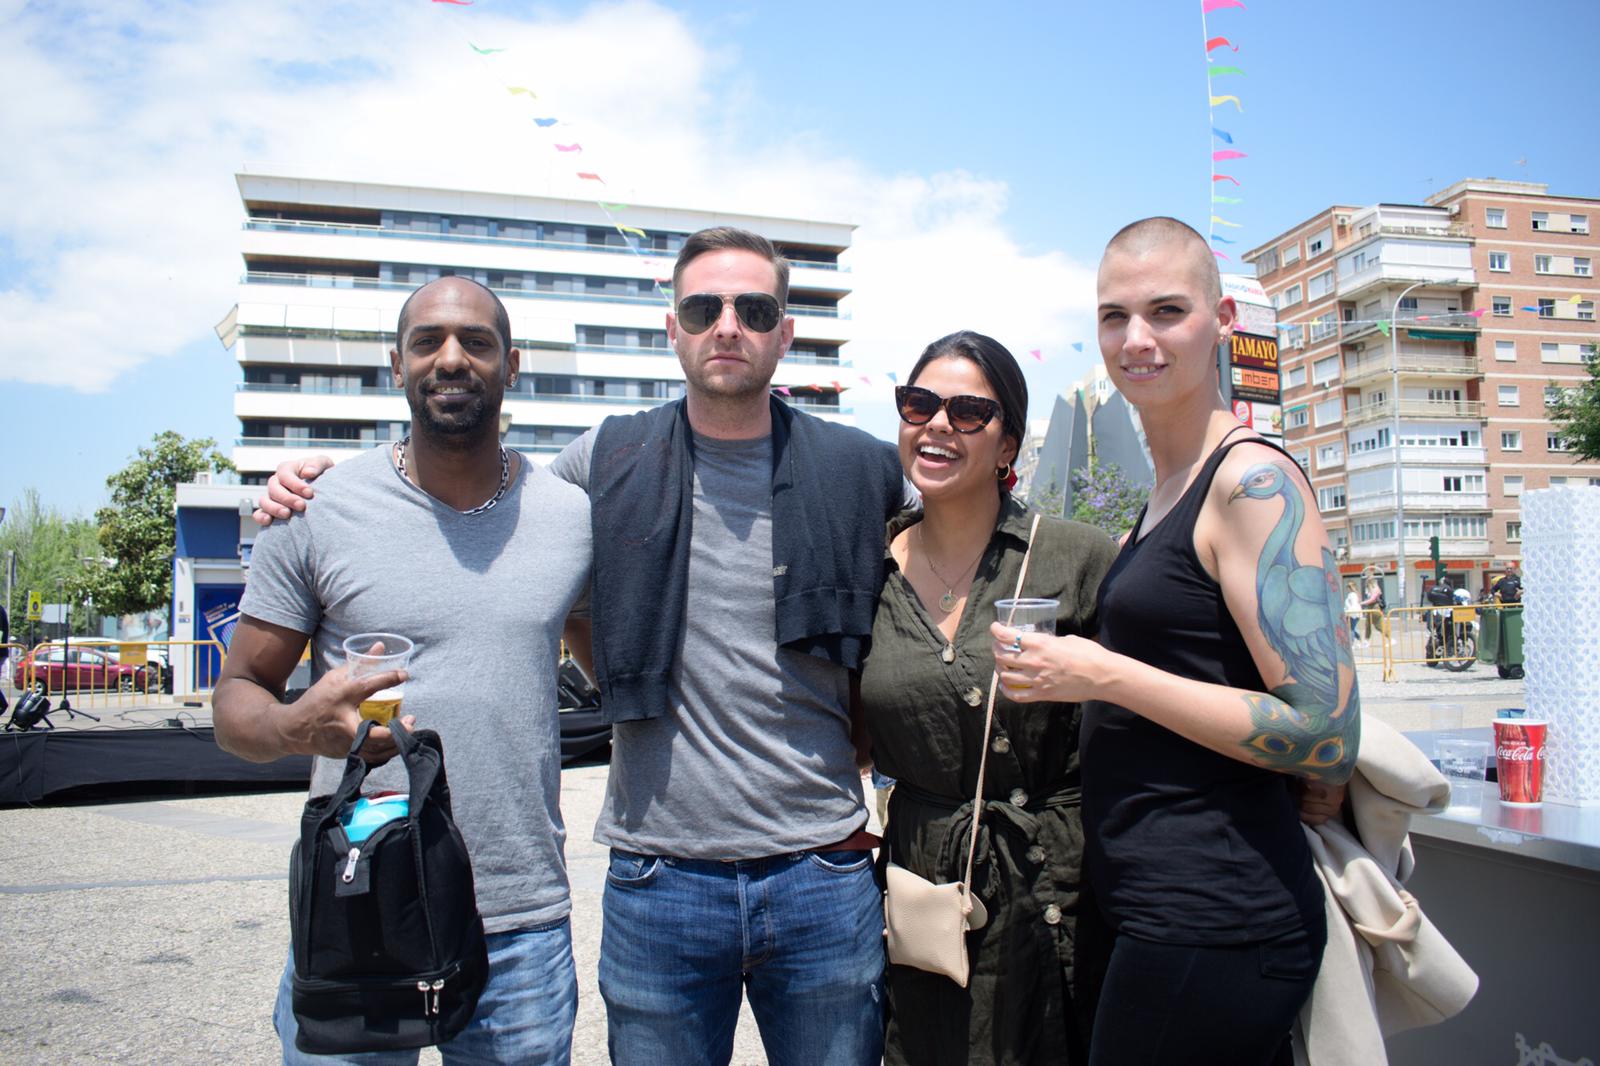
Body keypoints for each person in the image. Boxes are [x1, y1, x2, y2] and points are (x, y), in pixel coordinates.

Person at [260, 228, 910, 1066]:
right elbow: (485, 514)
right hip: (660, 878)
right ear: (671, 329)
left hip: (821, 870)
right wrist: (310, 487)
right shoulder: (600, 462)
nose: (728, 327)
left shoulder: (860, 470)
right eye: (702, 308)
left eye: (754, 309)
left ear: (786, 331)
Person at [992, 217, 1357, 1066]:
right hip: (1159, 906)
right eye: (1115, 317)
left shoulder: (1252, 482)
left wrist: (1104, 674)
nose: (1137, 339)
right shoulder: (1168, 491)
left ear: (1224, 318)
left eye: (1166, 311)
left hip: (1218, 916)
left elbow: (1326, 729)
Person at [217, 276, 593, 1064]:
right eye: (428, 341)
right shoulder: (317, 509)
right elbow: (234, 703)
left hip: (517, 920)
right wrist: (292, 726)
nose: (451, 358)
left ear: (512, 364)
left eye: (476, 342)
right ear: (397, 364)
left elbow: (621, 670)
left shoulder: (570, 518)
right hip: (357, 897)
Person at [859, 331, 1119, 1065]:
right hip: (925, 888)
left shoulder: (1074, 555)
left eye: (969, 412)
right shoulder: (867, 565)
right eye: (919, 404)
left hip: (1055, 885)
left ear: (1009, 443)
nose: (938, 424)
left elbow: (1140, 713)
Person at [1360, 571, 1387, 645]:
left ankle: (1390, 638)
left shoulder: (1375, 588)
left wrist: (1362, 603)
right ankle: (1366, 641)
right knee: (1367, 624)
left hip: (1375, 607)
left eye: (1367, 581)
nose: (1366, 583)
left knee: (1378, 625)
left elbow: (1372, 599)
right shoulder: (1370, 588)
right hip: (1370, 607)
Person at [1343, 581, 1363, 647]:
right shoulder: (1355, 594)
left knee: (1351, 629)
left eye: (1347, 588)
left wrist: (1347, 612)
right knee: (1351, 628)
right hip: (1354, 614)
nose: (1347, 589)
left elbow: (1353, 605)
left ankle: (1352, 644)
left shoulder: (1352, 595)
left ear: (1350, 588)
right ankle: (1360, 640)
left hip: (1352, 614)